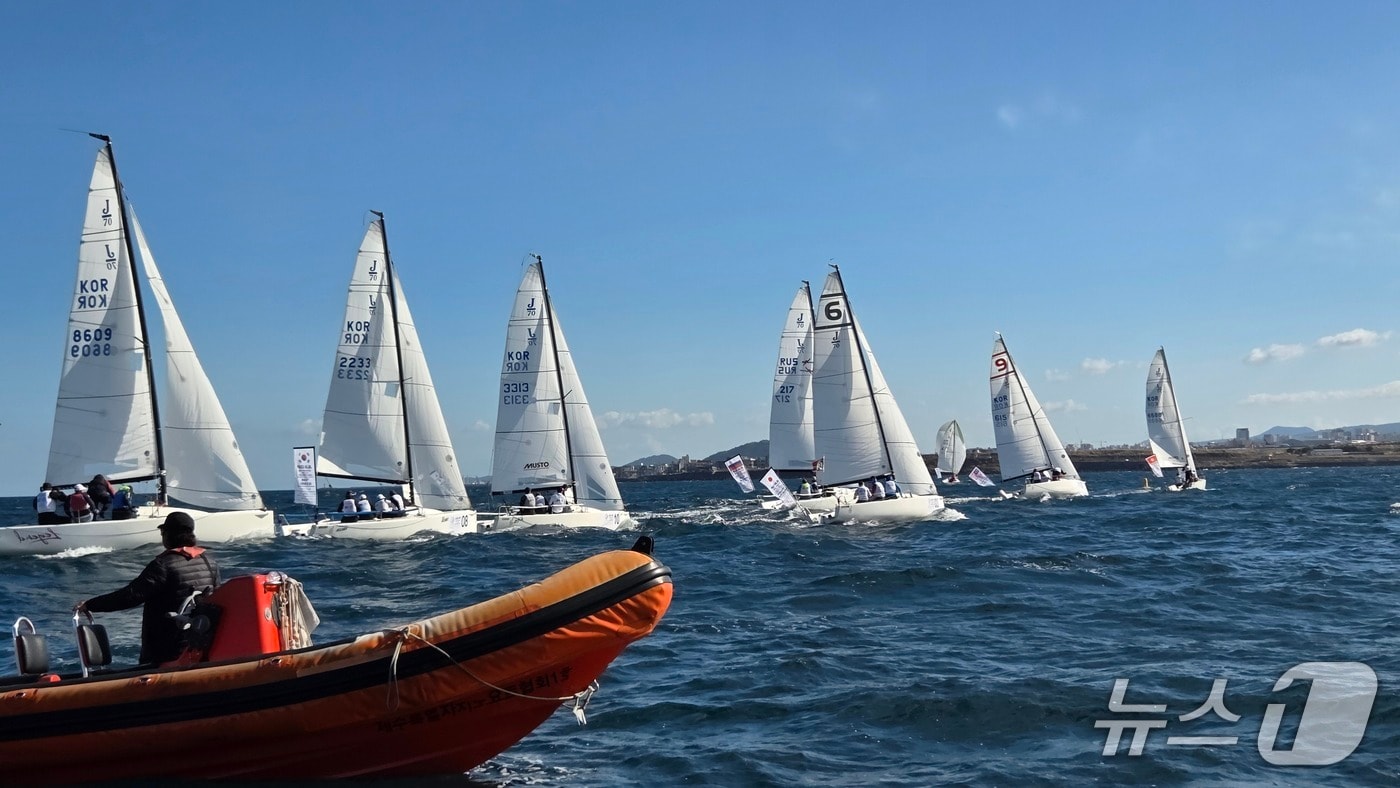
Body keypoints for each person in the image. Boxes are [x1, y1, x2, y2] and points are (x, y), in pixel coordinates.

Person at [73, 512, 220, 665]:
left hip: (165, 651)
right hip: (197, 647)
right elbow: (217, 598)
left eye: (163, 532)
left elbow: (130, 596)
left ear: (168, 535)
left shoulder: (163, 565)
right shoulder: (209, 562)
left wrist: (90, 605)